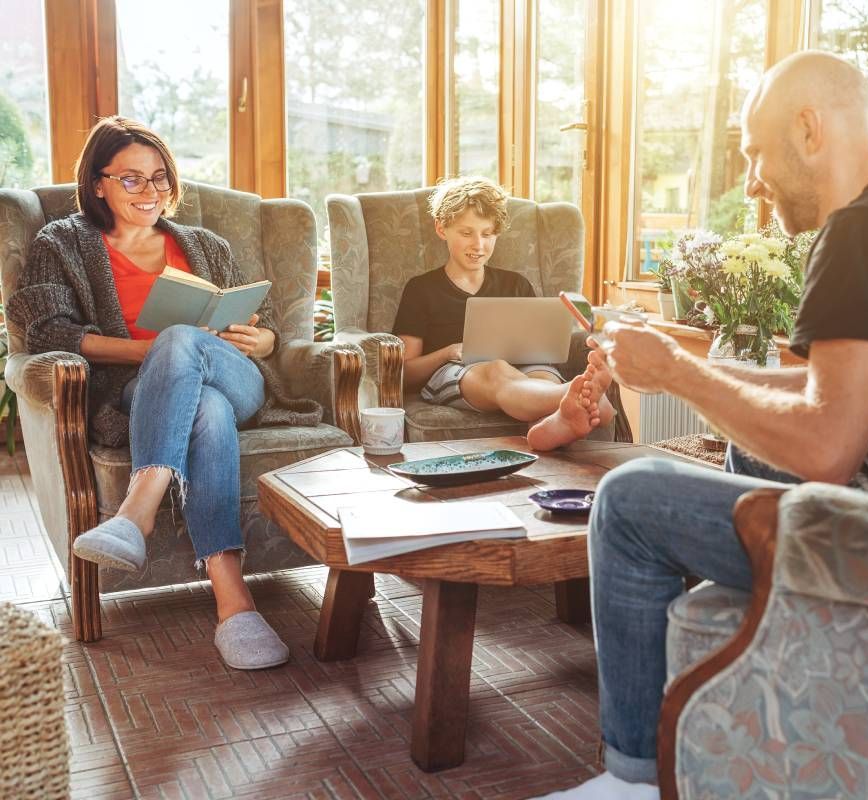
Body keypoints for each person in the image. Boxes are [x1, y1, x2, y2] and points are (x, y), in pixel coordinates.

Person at [537, 52, 868, 799]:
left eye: (755, 153)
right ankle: (753, 679)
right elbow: (832, 387)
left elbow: (826, 445)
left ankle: (632, 780)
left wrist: (676, 371)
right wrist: (674, 367)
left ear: (809, 129)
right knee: (750, 460)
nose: (751, 180)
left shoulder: (862, 233)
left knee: (628, 504)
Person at [7, 116, 324, 670]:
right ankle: (235, 604)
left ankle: (136, 512)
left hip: (241, 378)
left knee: (192, 356)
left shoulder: (205, 245)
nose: (149, 192)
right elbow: (50, 331)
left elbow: (267, 322)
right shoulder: (63, 243)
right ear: (97, 182)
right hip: (139, 392)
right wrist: (155, 351)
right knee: (205, 408)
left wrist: (263, 336)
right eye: (130, 179)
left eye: (159, 178)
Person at [391, 176, 613, 450]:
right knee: (496, 369)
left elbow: (541, 349)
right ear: (441, 229)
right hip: (454, 372)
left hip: (523, 367)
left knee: (541, 375)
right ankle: (576, 396)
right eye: (466, 233)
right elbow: (405, 371)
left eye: (487, 234)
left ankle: (556, 425)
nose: (478, 245)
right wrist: (448, 351)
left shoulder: (516, 284)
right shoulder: (421, 289)